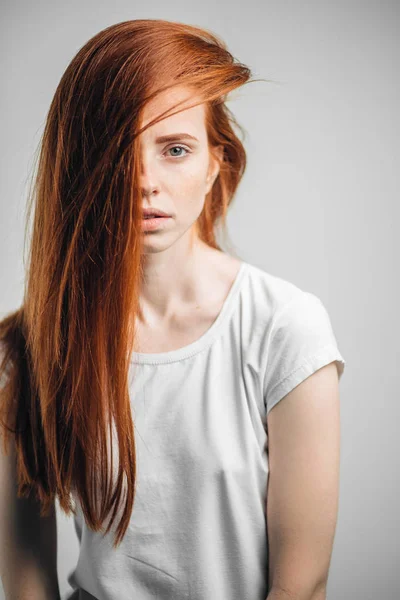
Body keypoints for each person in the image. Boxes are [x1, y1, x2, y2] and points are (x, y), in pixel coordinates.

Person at [0, 18, 345, 600]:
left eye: (175, 150)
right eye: (116, 151)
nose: (144, 182)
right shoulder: (32, 346)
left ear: (215, 163)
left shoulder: (286, 329)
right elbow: (26, 574)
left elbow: (302, 585)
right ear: (79, 166)